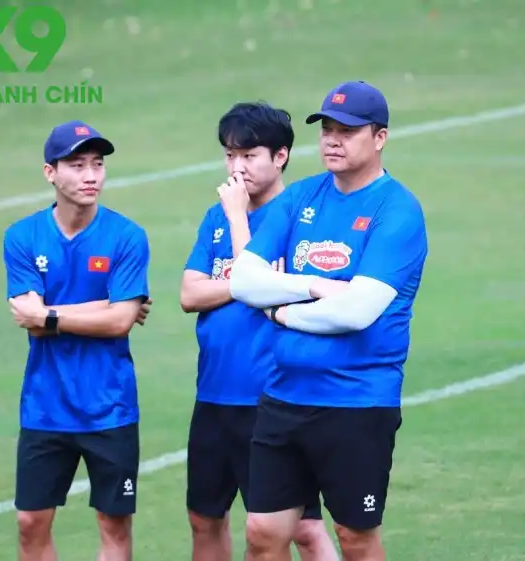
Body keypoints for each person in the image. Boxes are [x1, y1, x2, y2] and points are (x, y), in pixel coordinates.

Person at [228, 81, 429, 561]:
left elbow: (356, 312)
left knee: (354, 538)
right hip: (283, 396)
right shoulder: (300, 197)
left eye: (347, 131)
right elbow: (243, 281)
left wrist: (278, 309)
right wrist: (312, 287)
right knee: (262, 533)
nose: (333, 141)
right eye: (327, 130)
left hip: (356, 402)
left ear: (379, 138)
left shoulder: (397, 211)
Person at [180, 102, 339, 561]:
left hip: (273, 397)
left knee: (301, 529)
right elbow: (190, 293)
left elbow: (262, 290)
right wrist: (247, 283)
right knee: (204, 518)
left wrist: (238, 224)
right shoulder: (215, 217)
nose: (237, 167)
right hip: (214, 394)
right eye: (230, 155)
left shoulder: (298, 218)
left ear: (280, 156)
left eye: (249, 156)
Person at [3, 120, 153, 561]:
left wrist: (52, 314)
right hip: (45, 407)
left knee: (114, 525)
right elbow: (30, 321)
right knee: (30, 522)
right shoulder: (23, 236)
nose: (91, 176)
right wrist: (108, 306)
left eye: (98, 164)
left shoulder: (126, 236)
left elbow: (118, 323)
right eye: (77, 165)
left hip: (110, 407)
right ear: (50, 172)